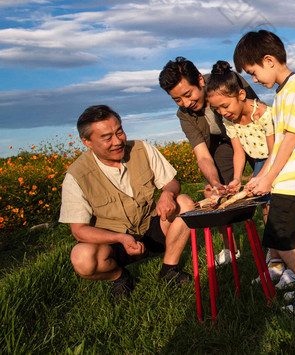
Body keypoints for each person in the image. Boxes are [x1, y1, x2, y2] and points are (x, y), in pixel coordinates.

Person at [233, 30, 295, 311]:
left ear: (269, 60)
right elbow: (279, 146)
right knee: (287, 239)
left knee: (280, 239)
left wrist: (270, 178)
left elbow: (290, 141)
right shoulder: (285, 92)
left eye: (253, 73)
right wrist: (262, 176)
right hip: (292, 178)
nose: (254, 80)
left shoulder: (294, 90)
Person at [59, 105, 194, 301]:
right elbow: (79, 230)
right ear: (87, 142)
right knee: (82, 258)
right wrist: (120, 238)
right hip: (115, 242)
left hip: (153, 228)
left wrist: (167, 194)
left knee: (185, 202)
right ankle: (120, 277)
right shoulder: (76, 175)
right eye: (107, 138)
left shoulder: (142, 149)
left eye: (119, 131)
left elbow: (171, 183)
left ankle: (169, 270)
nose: (117, 141)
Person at [158, 57, 257, 265]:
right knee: (211, 192)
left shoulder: (226, 81)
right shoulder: (184, 114)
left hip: (250, 132)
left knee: (263, 185)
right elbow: (202, 155)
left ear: (201, 81)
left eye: (187, 94)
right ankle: (231, 249)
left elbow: (255, 116)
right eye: (177, 100)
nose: (186, 103)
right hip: (223, 142)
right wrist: (214, 183)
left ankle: (276, 251)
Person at [204, 60, 289, 283]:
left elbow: (274, 151)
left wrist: (261, 176)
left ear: (241, 95)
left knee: (274, 208)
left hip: (276, 160)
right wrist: (236, 179)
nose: (223, 112)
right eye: (217, 109)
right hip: (261, 162)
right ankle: (277, 259)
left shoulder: (263, 114)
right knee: (265, 208)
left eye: (225, 106)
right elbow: (239, 153)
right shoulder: (229, 120)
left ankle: (282, 259)